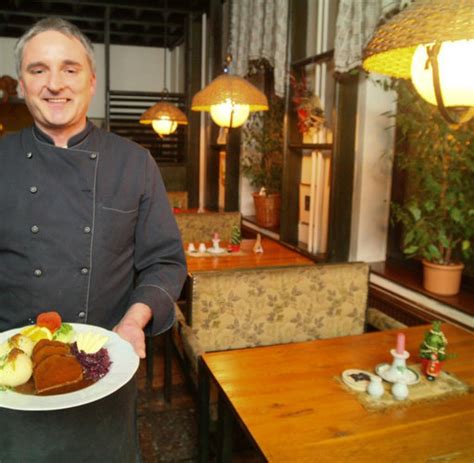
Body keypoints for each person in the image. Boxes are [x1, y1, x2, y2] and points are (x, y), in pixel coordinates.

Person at [0, 17, 187, 462]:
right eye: (38, 70)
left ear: (91, 80)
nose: (54, 84)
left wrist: (134, 321)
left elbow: (166, 261)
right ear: (22, 85)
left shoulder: (135, 163)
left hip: (104, 368)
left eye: (69, 68)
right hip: (11, 381)